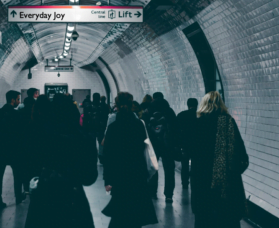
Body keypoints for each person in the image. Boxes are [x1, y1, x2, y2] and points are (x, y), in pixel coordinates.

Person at [25, 94, 98, 228]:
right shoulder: (83, 138)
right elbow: (89, 178)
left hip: (44, 199)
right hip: (73, 200)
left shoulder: (42, 136)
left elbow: (30, 166)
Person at [190, 91, 249, 228]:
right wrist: (234, 173)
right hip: (225, 180)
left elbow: (190, 150)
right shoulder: (227, 121)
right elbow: (241, 155)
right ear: (220, 104)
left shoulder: (197, 123)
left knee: (204, 216)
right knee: (227, 217)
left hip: (202, 178)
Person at [102, 92, 158, 228]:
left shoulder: (113, 127)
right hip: (137, 173)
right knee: (135, 214)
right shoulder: (139, 125)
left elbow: (108, 155)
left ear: (117, 106)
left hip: (119, 174)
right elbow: (144, 148)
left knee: (119, 213)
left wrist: (107, 179)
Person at [0, 90, 27, 209]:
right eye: (18, 99)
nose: (19, 101)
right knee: (18, 173)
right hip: (14, 150)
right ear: (12, 100)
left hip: (0, 149)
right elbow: (21, 134)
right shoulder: (17, 115)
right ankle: (18, 197)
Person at [143, 92, 178, 203]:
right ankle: (168, 195)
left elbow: (143, 127)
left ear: (153, 98)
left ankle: (152, 192)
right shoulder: (169, 111)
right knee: (169, 169)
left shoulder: (148, 110)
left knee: (153, 167)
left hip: (153, 144)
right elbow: (175, 128)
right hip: (167, 144)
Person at [176, 98, 198, 189]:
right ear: (197, 105)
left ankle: (185, 183)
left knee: (184, 164)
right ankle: (195, 182)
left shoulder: (181, 115)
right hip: (197, 145)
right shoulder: (201, 116)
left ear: (187, 105)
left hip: (184, 144)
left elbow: (176, 130)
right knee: (196, 164)